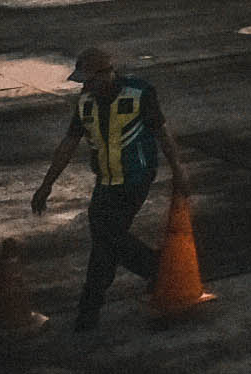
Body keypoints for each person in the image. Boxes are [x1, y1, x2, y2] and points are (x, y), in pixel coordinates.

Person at [29, 46, 193, 330]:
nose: (86, 87)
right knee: (107, 243)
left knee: (107, 236)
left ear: (107, 75)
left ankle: (91, 308)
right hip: (105, 181)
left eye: (90, 81)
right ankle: (153, 272)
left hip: (136, 178)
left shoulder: (140, 93)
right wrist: (47, 184)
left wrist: (179, 169)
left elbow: (162, 133)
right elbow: (68, 144)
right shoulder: (85, 103)